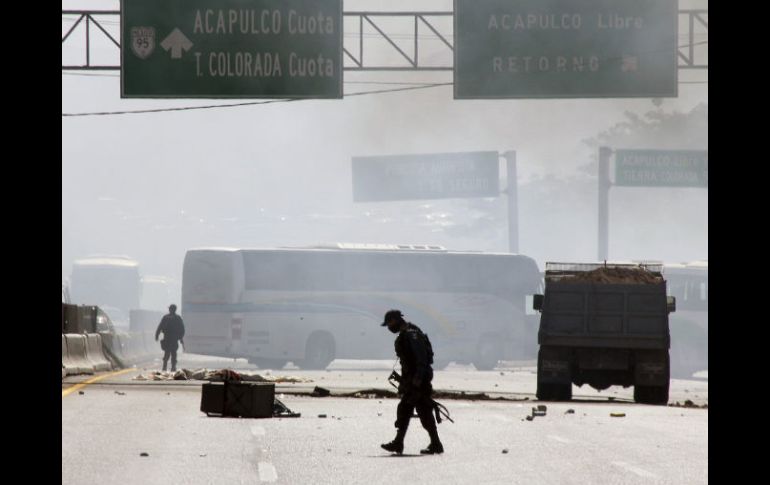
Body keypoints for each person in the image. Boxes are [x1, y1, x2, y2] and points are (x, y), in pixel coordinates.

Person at [380, 309, 444, 455]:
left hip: (419, 380)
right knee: (418, 410)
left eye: (389, 324)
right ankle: (433, 443)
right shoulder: (407, 333)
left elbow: (421, 359)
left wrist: (417, 380)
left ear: (394, 320)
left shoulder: (412, 334)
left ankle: (401, 443)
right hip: (413, 379)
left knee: (409, 408)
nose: (389, 327)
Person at [155, 304, 185, 372]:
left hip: (167, 338)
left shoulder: (166, 317)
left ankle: (165, 366)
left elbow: (160, 327)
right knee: (173, 353)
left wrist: (157, 335)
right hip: (173, 339)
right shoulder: (177, 318)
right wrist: (180, 337)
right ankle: (172, 367)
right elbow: (182, 329)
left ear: (170, 309)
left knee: (167, 352)